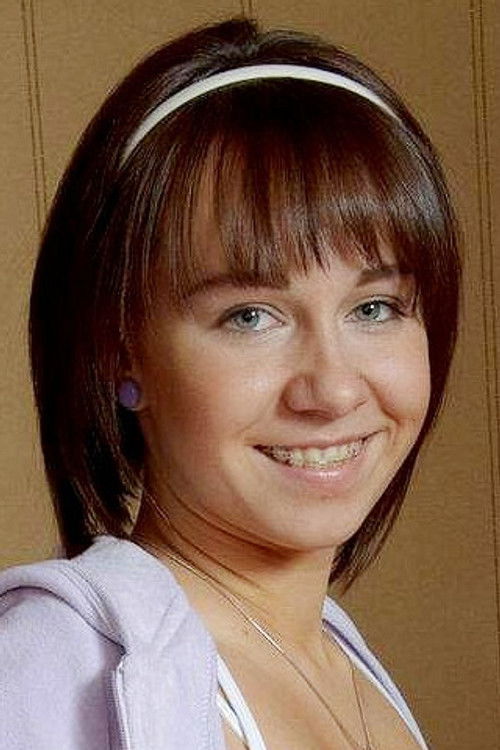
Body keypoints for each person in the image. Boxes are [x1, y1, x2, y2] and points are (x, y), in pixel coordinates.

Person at [0, 16, 460, 750]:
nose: (334, 391)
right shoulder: (46, 670)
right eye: (251, 316)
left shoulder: (344, 662)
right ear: (120, 353)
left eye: (374, 308)